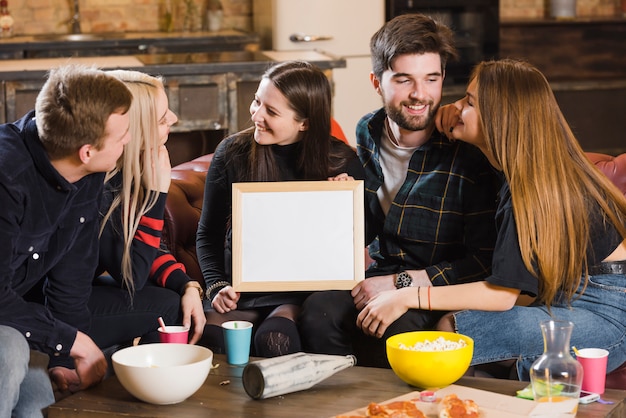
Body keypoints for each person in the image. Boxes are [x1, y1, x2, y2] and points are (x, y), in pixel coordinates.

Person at [358, 58, 626, 379]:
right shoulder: (524, 165)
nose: (454, 107)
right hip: (571, 295)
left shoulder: (531, 187)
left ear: (499, 118)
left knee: (455, 333)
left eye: (468, 101)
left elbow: (500, 296)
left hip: (605, 310)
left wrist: (405, 296)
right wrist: (460, 113)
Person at [298, 13, 500, 367]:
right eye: (404, 80)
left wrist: (401, 283)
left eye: (431, 79)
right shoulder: (366, 132)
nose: (420, 95)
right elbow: (362, 220)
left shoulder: (467, 149)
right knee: (317, 313)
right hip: (373, 273)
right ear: (377, 82)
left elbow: (483, 262)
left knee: (399, 333)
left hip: (436, 287)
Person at [196, 60, 365, 358]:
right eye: (257, 101)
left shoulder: (342, 160)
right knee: (209, 337)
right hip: (240, 290)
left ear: (305, 122)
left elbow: (363, 244)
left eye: (271, 111)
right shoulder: (232, 153)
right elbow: (207, 233)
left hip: (300, 293)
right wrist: (216, 286)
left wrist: (343, 202)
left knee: (276, 339)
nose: (256, 115)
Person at [0, 64, 133, 417]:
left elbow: (71, 279)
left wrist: (64, 357)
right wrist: (75, 342)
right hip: (5, 321)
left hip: (12, 313)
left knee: (36, 405)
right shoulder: (6, 179)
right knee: (10, 348)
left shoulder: (85, 170)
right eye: (122, 136)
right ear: (86, 151)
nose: (128, 141)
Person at [88, 70, 207, 350]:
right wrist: (156, 194)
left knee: (172, 298)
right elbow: (132, 275)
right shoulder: (98, 186)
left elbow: (140, 249)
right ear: (136, 129)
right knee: (167, 306)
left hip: (74, 295)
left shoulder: (119, 172)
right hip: (49, 308)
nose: (174, 119)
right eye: (163, 117)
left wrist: (187, 285)